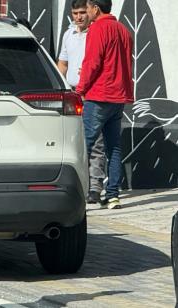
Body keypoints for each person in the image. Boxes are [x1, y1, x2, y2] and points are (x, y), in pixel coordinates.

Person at [76, 0, 133, 209]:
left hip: (98, 96)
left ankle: (79, 192)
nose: (86, 11)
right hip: (118, 97)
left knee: (84, 146)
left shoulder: (98, 28)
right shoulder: (123, 30)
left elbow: (92, 62)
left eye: (88, 8)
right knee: (114, 148)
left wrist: (80, 90)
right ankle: (112, 195)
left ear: (96, 9)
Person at [57, 0, 106, 204]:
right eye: (75, 13)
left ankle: (95, 187)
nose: (79, 17)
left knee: (95, 143)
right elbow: (63, 64)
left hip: (91, 93)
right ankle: (79, 186)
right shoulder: (69, 35)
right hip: (71, 95)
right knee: (73, 142)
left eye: (82, 12)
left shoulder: (95, 34)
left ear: (90, 12)